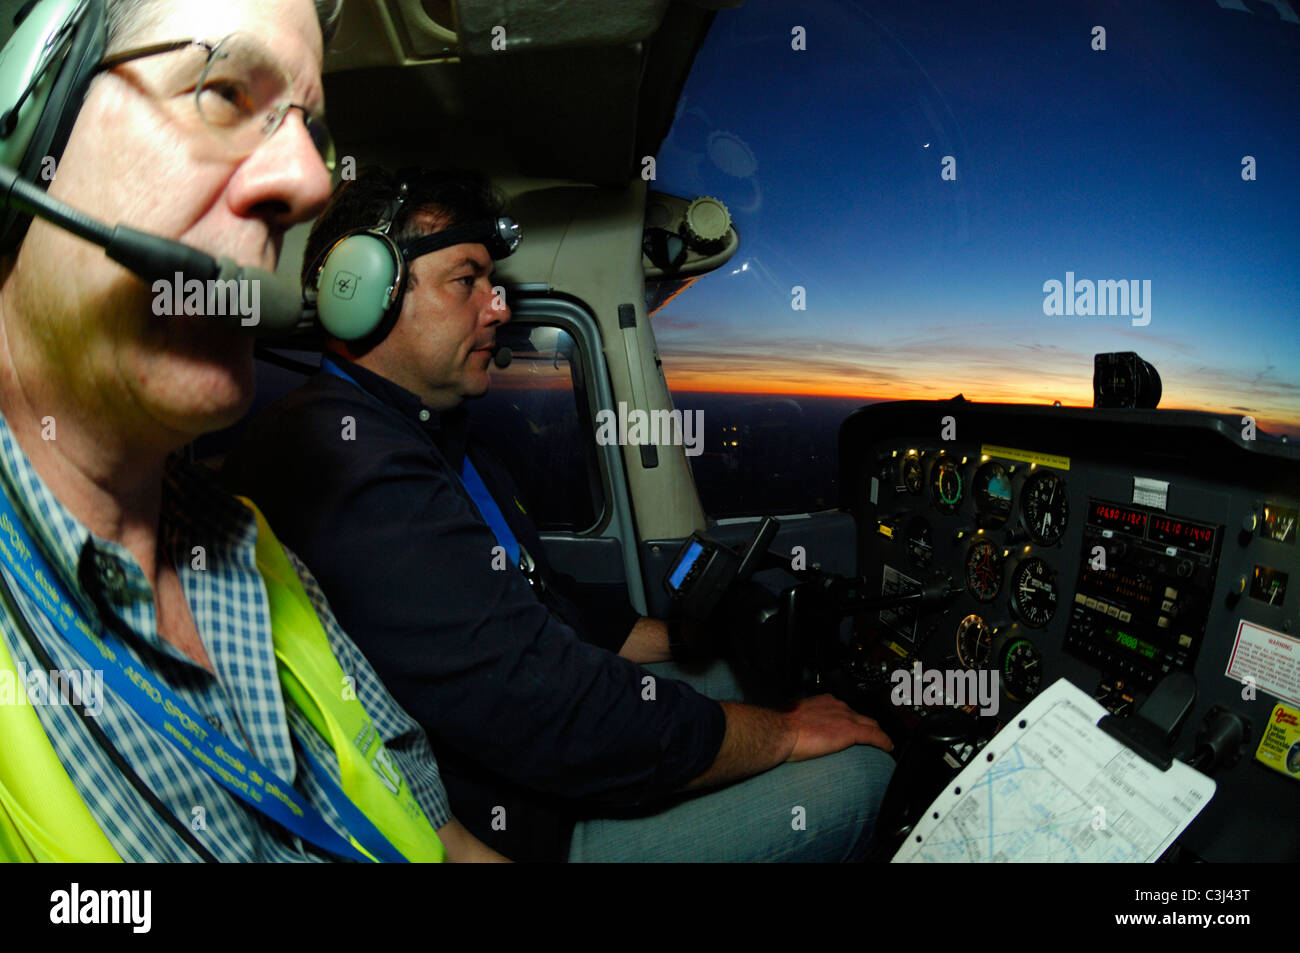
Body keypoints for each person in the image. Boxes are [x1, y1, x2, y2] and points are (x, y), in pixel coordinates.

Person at [222, 165, 896, 862]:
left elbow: (542, 599)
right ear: (365, 291)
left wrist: (671, 637)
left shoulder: (442, 438)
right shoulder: (343, 461)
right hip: (518, 825)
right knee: (856, 775)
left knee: (744, 672)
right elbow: (555, 712)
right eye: (467, 281)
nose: (498, 308)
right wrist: (783, 735)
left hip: (535, 756)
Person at [0, 0, 501, 862]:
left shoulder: (256, 547)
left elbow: (445, 839)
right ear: (23, 144)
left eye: (309, 130)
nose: (308, 182)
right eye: (225, 90)